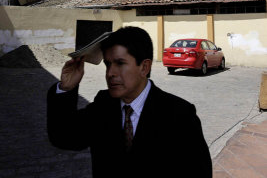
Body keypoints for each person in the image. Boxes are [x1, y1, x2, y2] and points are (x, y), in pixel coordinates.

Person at [47, 26, 212, 178]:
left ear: (144, 67)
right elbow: (63, 137)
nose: (110, 73)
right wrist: (66, 88)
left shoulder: (179, 114)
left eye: (120, 63)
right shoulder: (103, 105)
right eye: (107, 64)